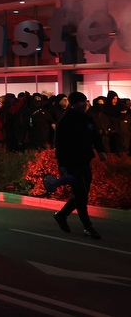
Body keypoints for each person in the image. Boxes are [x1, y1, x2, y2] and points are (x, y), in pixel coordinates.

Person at [44, 92, 106, 239]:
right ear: (73, 104)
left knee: (83, 194)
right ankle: (88, 226)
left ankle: (62, 215)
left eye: (85, 101)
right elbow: (60, 145)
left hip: (85, 160)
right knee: (80, 194)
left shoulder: (87, 119)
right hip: (72, 162)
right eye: (81, 102)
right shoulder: (64, 122)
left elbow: (95, 136)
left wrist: (101, 150)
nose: (84, 104)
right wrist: (62, 165)